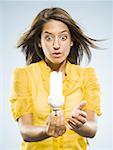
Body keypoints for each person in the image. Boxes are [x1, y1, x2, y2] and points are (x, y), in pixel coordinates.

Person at [10, 7, 101, 150]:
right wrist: (47, 131)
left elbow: (92, 128)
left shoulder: (87, 75)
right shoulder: (23, 75)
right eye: (48, 38)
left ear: (71, 41)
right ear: (39, 42)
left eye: (63, 37)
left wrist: (80, 125)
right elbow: (25, 130)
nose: (56, 45)